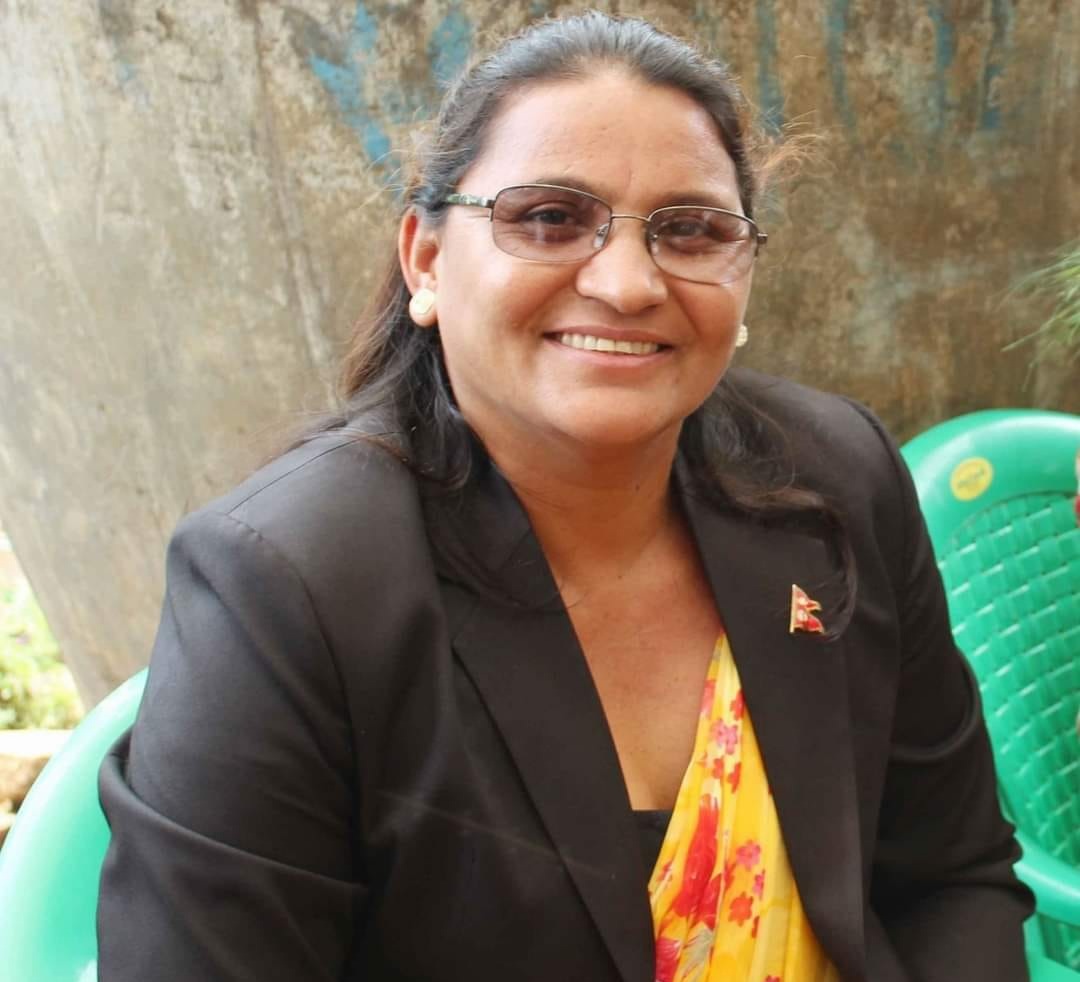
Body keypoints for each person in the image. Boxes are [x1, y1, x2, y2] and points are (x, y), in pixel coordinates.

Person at [97, 12, 1033, 982]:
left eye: (691, 230)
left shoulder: (835, 478)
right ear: (426, 260)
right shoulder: (288, 585)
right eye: (547, 218)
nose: (627, 284)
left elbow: (949, 873)